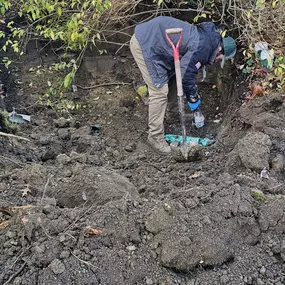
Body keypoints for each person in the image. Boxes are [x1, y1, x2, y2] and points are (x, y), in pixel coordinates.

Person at [130, 16, 236, 155]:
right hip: (146, 44)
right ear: (220, 49)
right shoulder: (203, 47)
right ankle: (155, 137)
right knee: (159, 91)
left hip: (158, 45)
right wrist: (194, 103)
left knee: (174, 76)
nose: (217, 61)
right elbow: (187, 75)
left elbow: (183, 71)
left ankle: (174, 114)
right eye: (220, 58)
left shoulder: (208, 39)